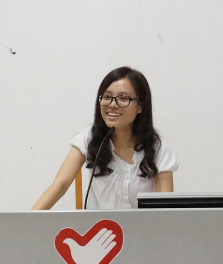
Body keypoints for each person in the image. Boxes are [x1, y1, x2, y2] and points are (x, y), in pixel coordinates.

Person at [32, 66, 179, 210]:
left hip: (142, 227)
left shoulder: (159, 149)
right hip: (98, 226)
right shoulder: (89, 138)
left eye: (123, 98)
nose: (112, 104)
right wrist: (27, 221)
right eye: (107, 97)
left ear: (140, 106)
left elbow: (165, 209)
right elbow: (60, 185)